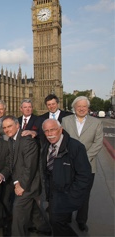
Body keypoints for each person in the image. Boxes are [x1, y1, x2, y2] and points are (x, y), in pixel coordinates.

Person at [41, 119, 92, 236]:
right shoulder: (46, 146)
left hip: (66, 193)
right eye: (46, 131)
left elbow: (84, 176)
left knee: (56, 222)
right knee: (56, 222)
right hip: (53, 192)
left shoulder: (76, 147)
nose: (50, 134)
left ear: (60, 130)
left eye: (53, 129)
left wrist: (72, 195)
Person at [2, 116, 50, 236]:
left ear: (17, 125)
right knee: (33, 208)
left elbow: (30, 167)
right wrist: (15, 182)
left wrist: (21, 186)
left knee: (18, 212)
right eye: (4, 128)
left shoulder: (26, 140)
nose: (7, 130)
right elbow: (13, 164)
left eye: (9, 126)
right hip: (21, 181)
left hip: (30, 184)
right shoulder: (11, 140)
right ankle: (44, 228)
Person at [61, 96, 103, 232]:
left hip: (88, 166)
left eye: (84, 106)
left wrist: (83, 158)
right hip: (68, 164)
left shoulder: (96, 123)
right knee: (67, 192)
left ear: (88, 108)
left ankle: (81, 220)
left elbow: (98, 143)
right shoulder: (65, 121)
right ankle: (66, 218)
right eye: (79, 106)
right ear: (74, 107)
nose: (81, 108)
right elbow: (62, 140)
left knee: (84, 195)